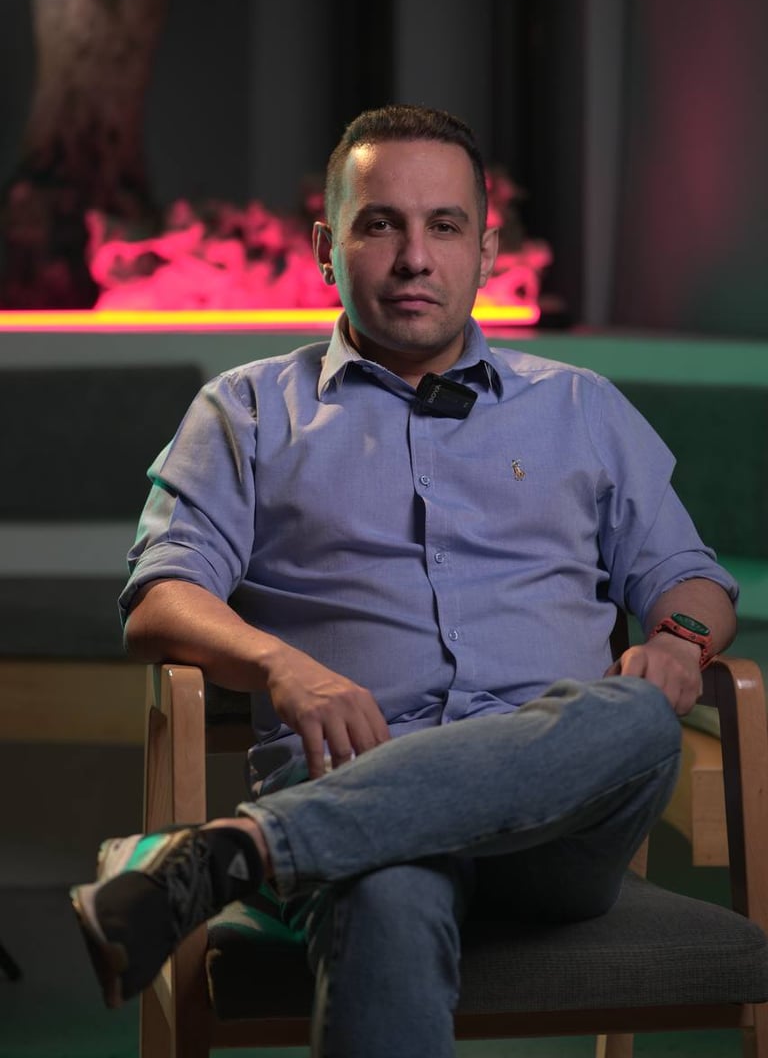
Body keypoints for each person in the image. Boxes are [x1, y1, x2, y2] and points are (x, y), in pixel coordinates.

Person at [71, 104, 737, 1057]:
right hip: (358, 805)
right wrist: (283, 667)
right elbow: (158, 596)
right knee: (382, 887)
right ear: (326, 249)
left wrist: (679, 640)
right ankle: (290, 843)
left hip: (558, 834)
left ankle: (241, 850)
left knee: (636, 715)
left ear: (486, 251)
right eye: (381, 224)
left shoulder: (581, 407)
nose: (415, 257)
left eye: (445, 226)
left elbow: (689, 576)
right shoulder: (247, 411)